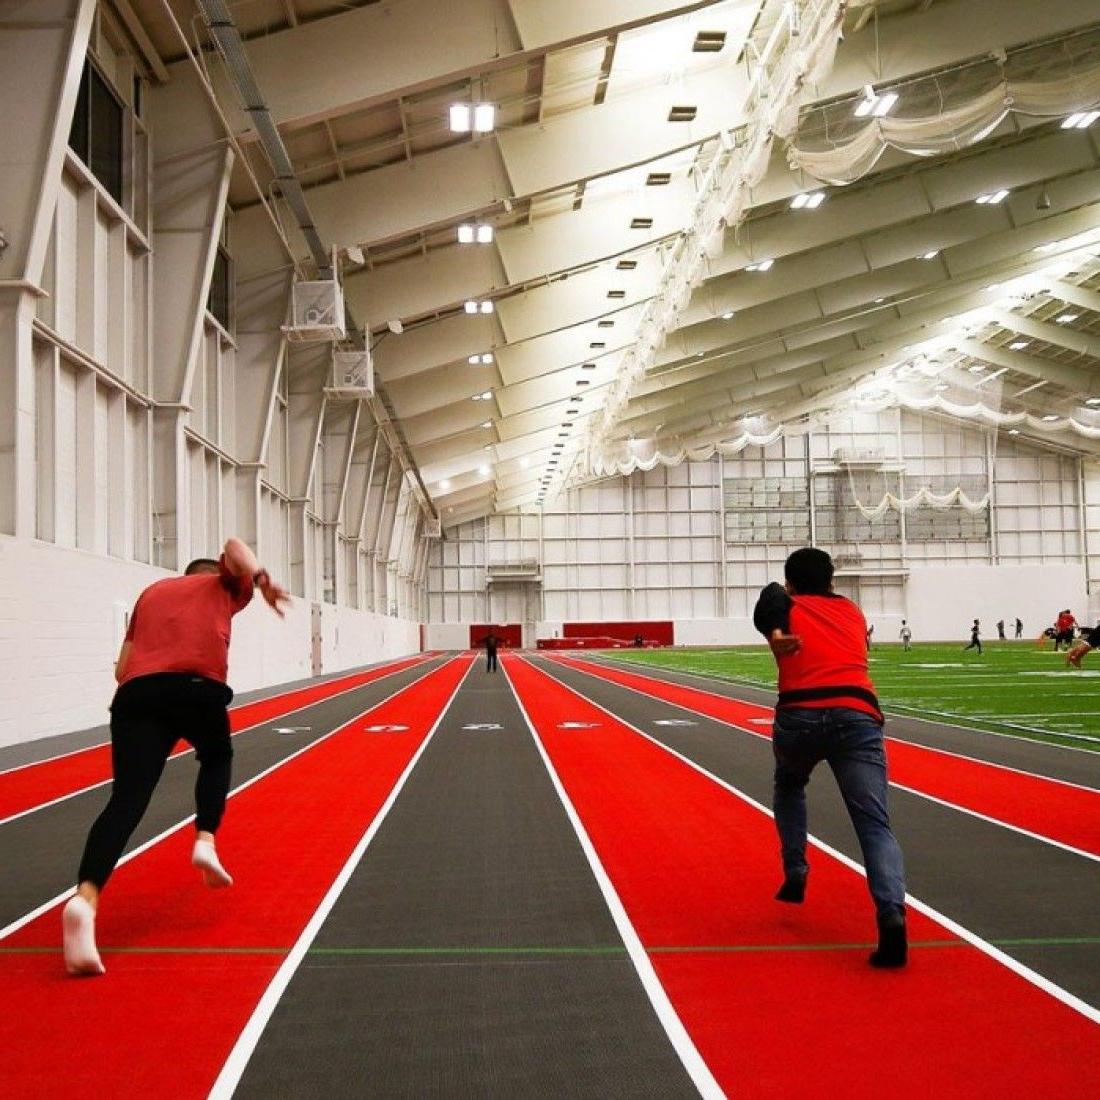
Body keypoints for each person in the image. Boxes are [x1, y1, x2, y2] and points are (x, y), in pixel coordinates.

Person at [62, 538, 290, 976]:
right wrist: (260, 580)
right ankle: (205, 839)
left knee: (126, 800)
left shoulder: (151, 593)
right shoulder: (223, 586)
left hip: (137, 695)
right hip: (196, 688)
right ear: (217, 573)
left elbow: (121, 668)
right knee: (217, 755)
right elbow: (235, 544)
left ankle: (85, 899)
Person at [753, 547, 907, 969]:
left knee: (789, 785)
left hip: (799, 715)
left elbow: (768, 597)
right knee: (874, 824)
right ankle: (891, 912)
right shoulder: (853, 613)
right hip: (857, 715)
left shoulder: (782, 606)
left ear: (790, 584)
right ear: (832, 582)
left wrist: (774, 632)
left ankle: (796, 867)